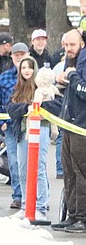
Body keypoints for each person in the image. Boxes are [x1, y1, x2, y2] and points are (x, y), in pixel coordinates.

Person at [7, 55, 56, 222]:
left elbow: (54, 105)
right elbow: (11, 108)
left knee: (39, 168)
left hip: (40, 130)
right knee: (22, 169)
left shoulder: (43, 87)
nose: (26, 70)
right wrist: (26, 108)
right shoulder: (17, 88)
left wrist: (37, 109)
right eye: (23, 68)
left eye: (29, 67)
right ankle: (26, 205)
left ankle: (41, 206)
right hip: (22, 132)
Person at [0, 38, 28, 209]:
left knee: (33, 163)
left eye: (22, 55)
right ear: (11, 57)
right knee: (14, 162)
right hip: (11, 127)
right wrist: (1, 122)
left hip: (30, 127)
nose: (19, 58)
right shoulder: (4, 78)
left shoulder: (36, 76)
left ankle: (37, 196)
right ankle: (18, 195)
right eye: (16, 55)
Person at [53, 28, 86, 232]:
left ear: (81, 44)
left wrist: (72, 77)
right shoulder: (70, 61)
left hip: (82, 126)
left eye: (72, 45)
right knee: (69, 172)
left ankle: (82, 217)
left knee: (81, 172)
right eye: (65, 45)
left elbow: (84, 91)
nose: (68, 49)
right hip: (68, 123)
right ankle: (72, 214)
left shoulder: (81, 63)